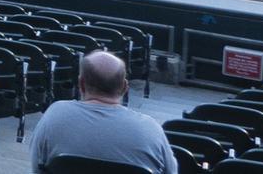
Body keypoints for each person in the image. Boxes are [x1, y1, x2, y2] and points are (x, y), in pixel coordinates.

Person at [25, 53, 177, 174]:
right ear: (124, 87)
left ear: (81, 84)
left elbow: (37, 167)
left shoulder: (55, 113)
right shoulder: (151, 129)